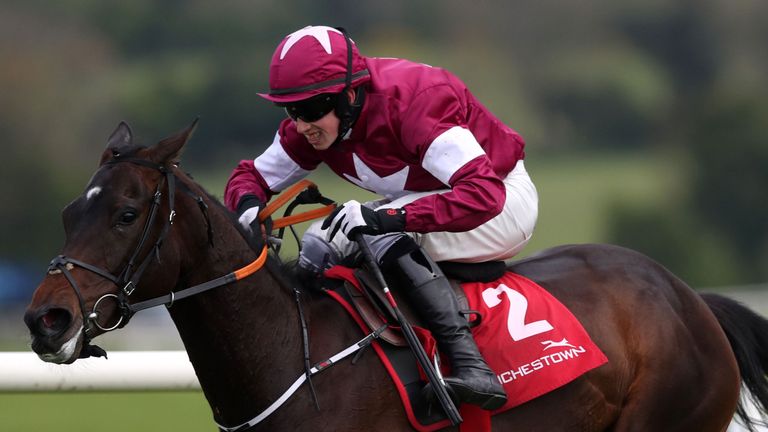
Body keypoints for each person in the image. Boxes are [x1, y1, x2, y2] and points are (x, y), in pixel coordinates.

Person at [224, 25, 538, 410]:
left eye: (310, 110)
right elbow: (250, 177)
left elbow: (483, 194)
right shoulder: (317, 125)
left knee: (373, 234)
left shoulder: (415, 102)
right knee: (319, 242)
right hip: (439, 199)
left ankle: (473, 368)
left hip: (502, 202)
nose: (301, 125)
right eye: (292, 110)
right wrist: (248, 210)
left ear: (348, 96)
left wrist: (390, 217)